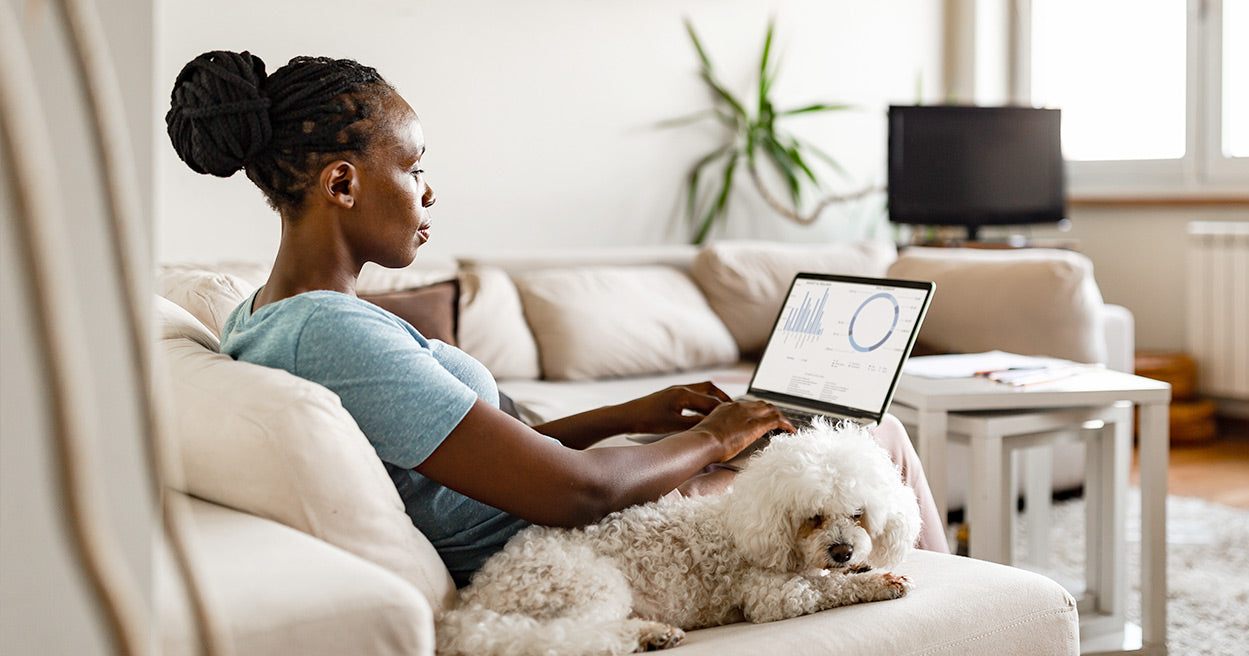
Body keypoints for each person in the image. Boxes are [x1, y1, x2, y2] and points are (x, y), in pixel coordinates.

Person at [165, 51, 947, 587]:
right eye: (414, 167)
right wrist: (715, 437)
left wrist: (629, 415)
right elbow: (571, 494)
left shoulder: (262, 317)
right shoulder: (329, 333)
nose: (427, 193)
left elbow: (480, 459)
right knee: (871, 438)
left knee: (819, 437)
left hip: (549, 517)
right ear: (342, 183)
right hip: (567, 544)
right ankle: (964, 617)